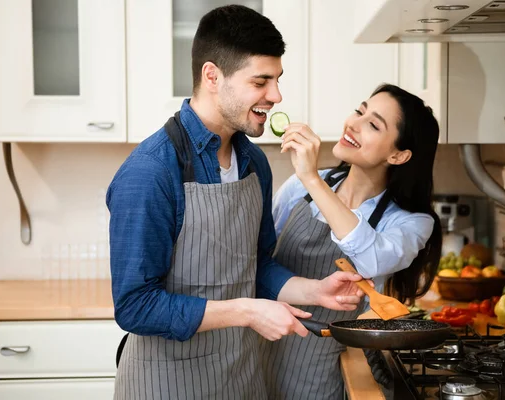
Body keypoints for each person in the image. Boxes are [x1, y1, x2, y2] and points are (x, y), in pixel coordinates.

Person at [106, 5, 366, 399]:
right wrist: (246, 311)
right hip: (167, 385)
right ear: (212, 76)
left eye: (277, 80)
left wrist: (312, 290)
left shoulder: (254, 163)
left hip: (241, 380)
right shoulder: (151, 172)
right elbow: (136, 307)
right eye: (261, 81)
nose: (276, 96)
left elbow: (254, 265)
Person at [259, 83, 443, 399]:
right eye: (359, 111)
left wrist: (313, 180)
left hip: (330, 364)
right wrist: (311, 181)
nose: (353, 124)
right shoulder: (299, 188)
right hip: (262, 347)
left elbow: (371, 258)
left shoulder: (410, 222)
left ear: (398, 154)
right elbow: (262, 259)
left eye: (372, 124)